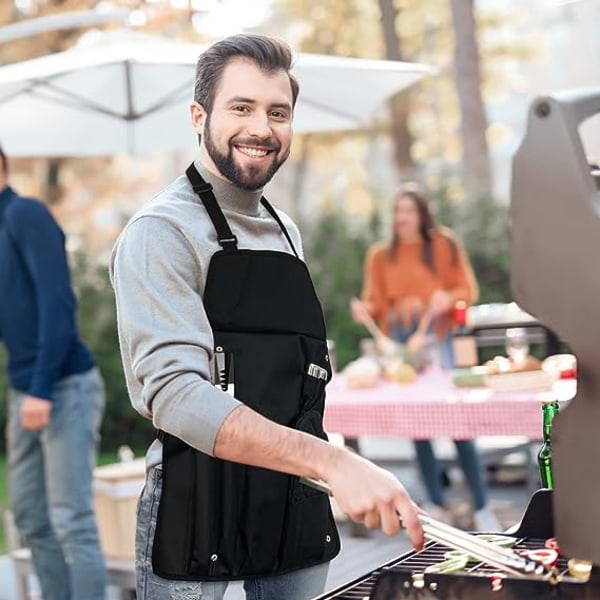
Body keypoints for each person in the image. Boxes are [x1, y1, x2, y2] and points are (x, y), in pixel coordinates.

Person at [110, 34, 425, 600]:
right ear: (198, 115)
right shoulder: (160, 232)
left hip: (292, 499)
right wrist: (335, 462)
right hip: (198, 500)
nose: (262, 127)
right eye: (242, 107)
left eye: (277, 112)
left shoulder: (286, 232)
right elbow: (177, 394)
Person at [351, 184, 501, 532]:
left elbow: (468, 290)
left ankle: (480, 506)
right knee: (418, 426)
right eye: (397, 211)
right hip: (402, 343)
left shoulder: (443, 245)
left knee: (458, 422)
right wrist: (364, 310)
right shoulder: (380, 255)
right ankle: (434, 505)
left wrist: (447, 299)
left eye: (408, 210)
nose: (401, 217)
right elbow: (374, 301)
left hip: (440, 337)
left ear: (421, 214)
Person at [0, 146, 107, 599]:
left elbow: (57, 305)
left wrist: (41, 390)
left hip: (62, 386)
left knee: (71, 519)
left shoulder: (24, 214)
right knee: (30, 516)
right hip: (25, 388)